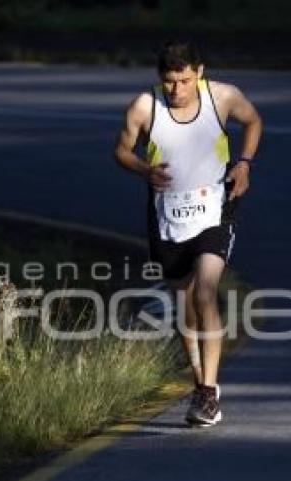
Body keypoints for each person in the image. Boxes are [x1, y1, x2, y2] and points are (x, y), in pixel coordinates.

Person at [114, 40, 263, 427]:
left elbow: (253, 121)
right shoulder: (145, 107)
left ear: (199, 72)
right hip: (168, 216)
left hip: (216, 208)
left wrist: (244, 164)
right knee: (183, 303)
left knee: (204, 292)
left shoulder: (223, 97)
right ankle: (200, 382)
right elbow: (122, 150)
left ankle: (209, 393)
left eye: (183, 81)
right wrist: (144, 170)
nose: (176, 90)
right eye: (168, 82)